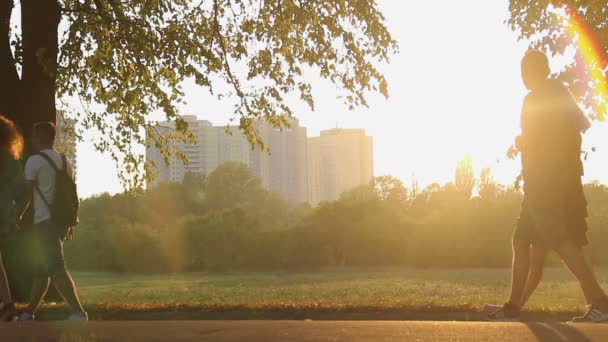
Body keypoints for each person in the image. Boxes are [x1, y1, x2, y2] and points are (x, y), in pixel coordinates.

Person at [488, 50, 608, 322]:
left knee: (562, 242)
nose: (522, 79)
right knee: (524, 241)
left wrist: (521, 144)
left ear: (531, 72)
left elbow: (535, 139)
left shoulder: (532, 99)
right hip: (560, 180)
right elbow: (581, 125)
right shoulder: (561, 92)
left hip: (545, 183)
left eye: (523, 73)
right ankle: (513, 308)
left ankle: (601, 301)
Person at [15, 122, 87, 321]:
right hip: (61, 223)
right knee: (41, 270)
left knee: (56, 267)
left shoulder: (35, 161)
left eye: (34, 135)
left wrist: (17, 216)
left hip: (45, 223)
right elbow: (72, 196)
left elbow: (27, 195)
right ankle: (29, 313)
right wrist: (70, 222)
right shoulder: (66, 162)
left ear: (41, 137)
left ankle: (78, 312)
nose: (31, 139)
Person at [0, 115, 24, 321]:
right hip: (4, 214)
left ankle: (8, 305)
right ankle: (7, 305)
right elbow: (17, 190)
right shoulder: (11, 160)